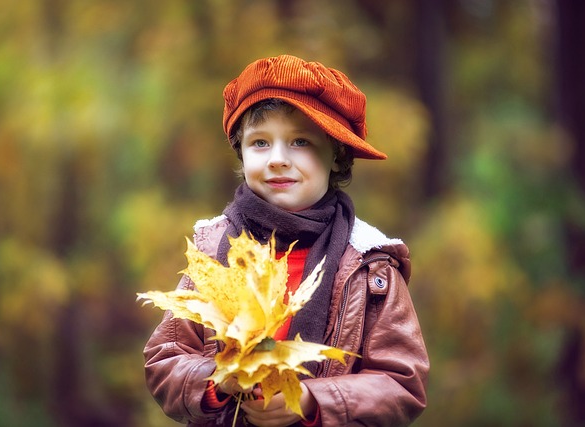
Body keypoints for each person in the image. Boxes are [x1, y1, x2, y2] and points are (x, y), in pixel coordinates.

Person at [143, 54, 429, 426]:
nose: (277, 159)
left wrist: (312, 400)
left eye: (300, 142)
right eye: (260, 143)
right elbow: (165, 358)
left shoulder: (369, 264)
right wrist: (217, 381)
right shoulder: (213, 251)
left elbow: (402, 384)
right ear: (241, 153)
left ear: (337, 155)